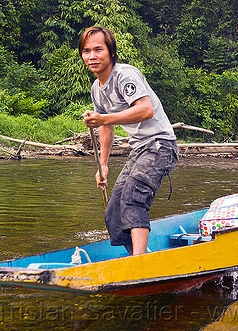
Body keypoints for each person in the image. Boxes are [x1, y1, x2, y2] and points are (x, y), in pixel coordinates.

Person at [80, 26, 178, 255]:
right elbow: (106, 127)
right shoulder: (97, 88)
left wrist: (104, 117)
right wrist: (103, 165)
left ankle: (140, 262)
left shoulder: (125, 75)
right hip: (140, 149)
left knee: (134, 197)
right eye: (86, 51)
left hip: (160, 145)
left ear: (111, 52)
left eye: (98, 50)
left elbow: (145, 110)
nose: (92, 56)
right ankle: (136, 258)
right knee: (114, 211)